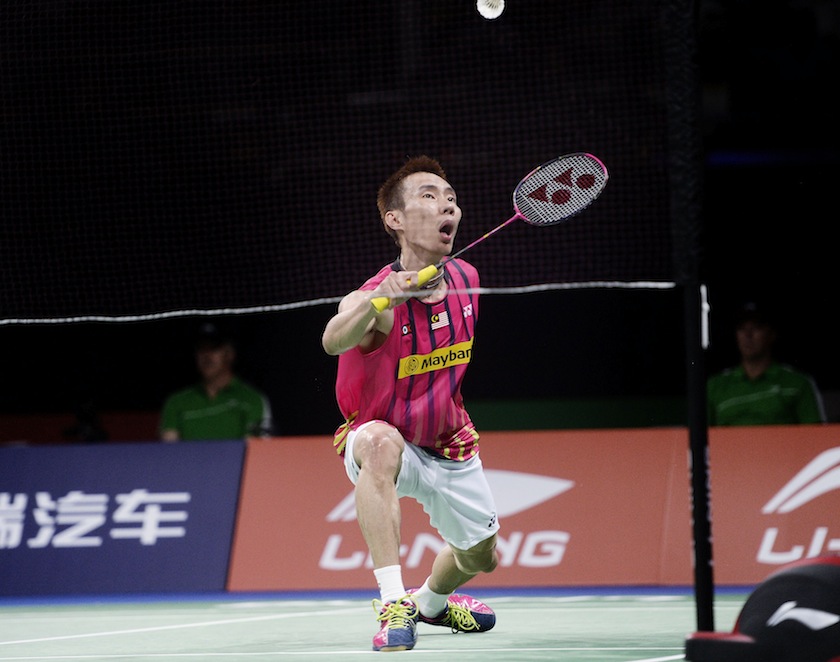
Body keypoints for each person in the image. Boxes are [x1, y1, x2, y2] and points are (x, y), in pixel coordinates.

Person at [321, 156, 499, 652]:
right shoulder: (375, 296)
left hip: (448, 440)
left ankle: (431, 603)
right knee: (378, 443)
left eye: (452, 198)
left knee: (482, 557)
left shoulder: (467, 277)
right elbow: (333, 340)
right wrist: (380, 300)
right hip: (385, 438)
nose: (448, 205)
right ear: (394, 219)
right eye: (429, 196)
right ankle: (393, 602)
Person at [707, 302, 826, 426]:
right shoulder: (714, 386)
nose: (748, 335)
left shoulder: (798, 383)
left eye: (756, 327)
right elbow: (699, 434)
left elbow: (816, 433)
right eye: (741, 328)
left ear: (771, 334)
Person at [160, 322, 273, 441]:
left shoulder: (252, 399)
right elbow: (169, 447)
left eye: (214, 348)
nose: (207, 355)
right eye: (201, 348)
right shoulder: (176, 402)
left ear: (229, 354)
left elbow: (256, 446)